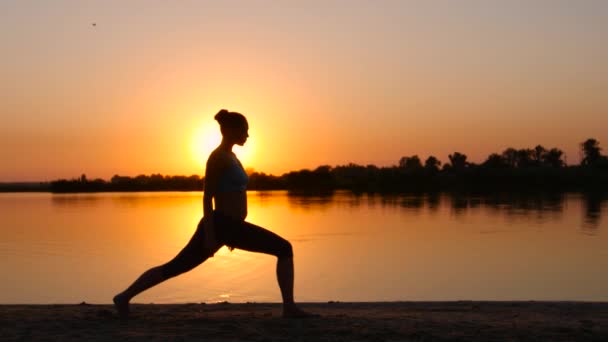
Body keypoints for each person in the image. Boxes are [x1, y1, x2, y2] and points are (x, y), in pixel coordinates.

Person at [113, 109, 315, 318]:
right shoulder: (217, 157)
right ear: (231, 130)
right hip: (221, 225)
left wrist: (231, 232)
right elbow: (207, 197)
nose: (248, 135)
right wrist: (211, 234)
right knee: (283, 248)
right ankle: (289, 308)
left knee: (178, 266)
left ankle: (123, 297)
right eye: (244, 130)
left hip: (230, 227)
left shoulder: (232, 156)